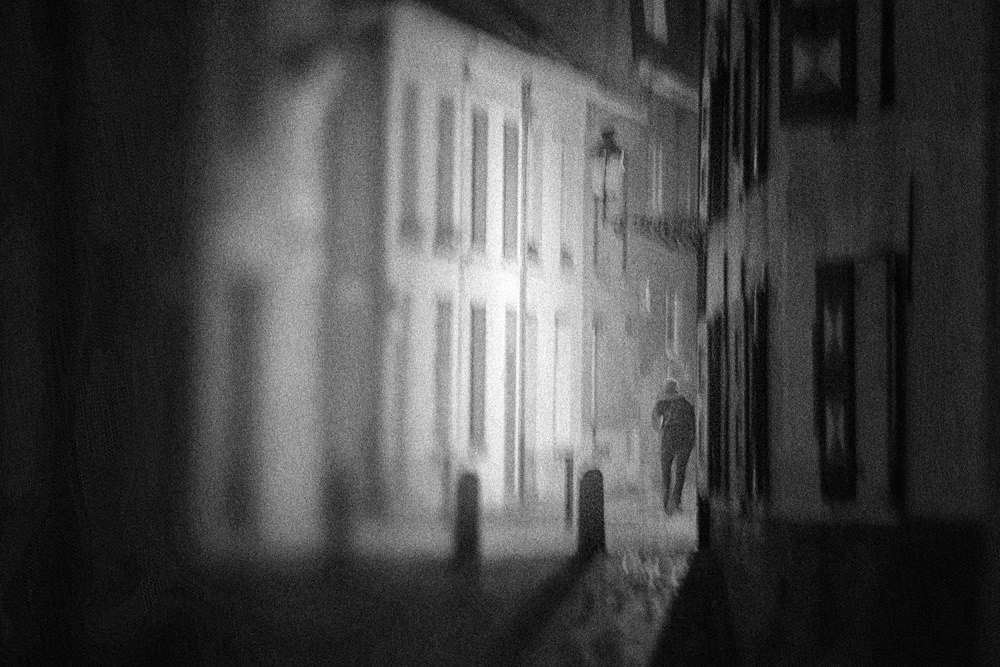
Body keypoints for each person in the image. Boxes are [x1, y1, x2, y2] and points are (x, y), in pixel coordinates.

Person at [653, 379, 695, 514]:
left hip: (667, 441)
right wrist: (692, 441)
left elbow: (654, 419)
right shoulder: (686, 404)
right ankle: (676, 501)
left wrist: (660, 431)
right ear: (677, 389)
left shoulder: (662, 403)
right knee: (680, 473)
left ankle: (666, 504)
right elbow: (693, 423)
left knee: (666, 474)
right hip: (683, 441)